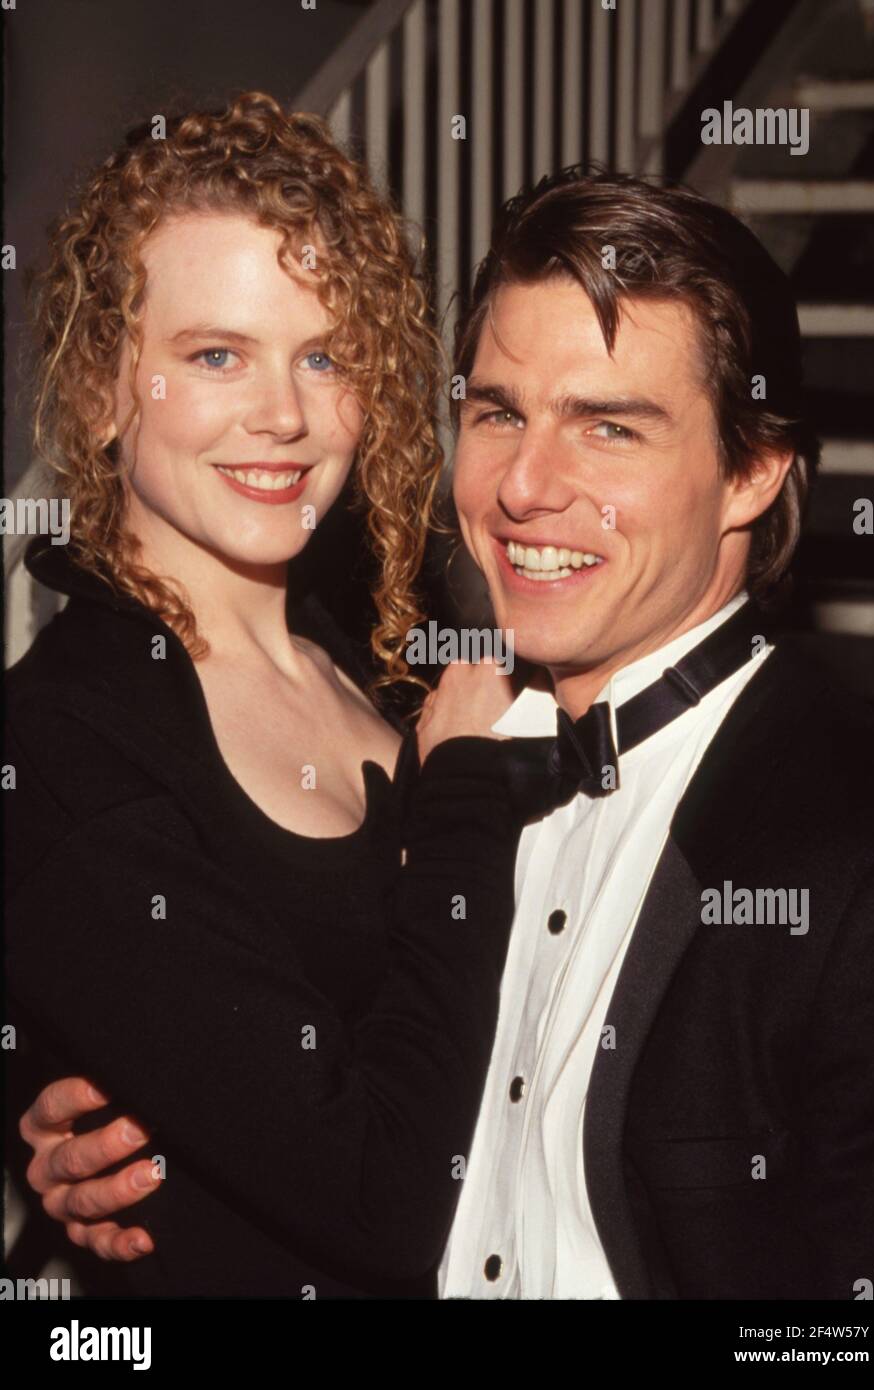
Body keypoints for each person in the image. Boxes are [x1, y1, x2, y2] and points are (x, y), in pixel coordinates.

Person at [19, 171, 874, 1300]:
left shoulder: (866, 868)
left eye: (608, 426)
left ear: (750, 472)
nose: (525, 486)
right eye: (498, 412)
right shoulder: (433, 719)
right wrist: (109, 1123)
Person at [4, 90, 523, 1298]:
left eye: (325, 354)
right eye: (216, 354)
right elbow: (380, 1200)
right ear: (101, 390)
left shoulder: (371, 660)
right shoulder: (72, 743)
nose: (284, 415)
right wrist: (458, 799)